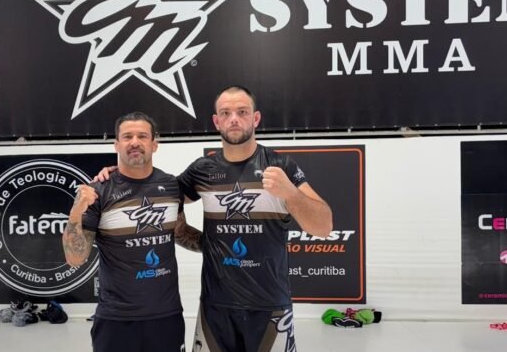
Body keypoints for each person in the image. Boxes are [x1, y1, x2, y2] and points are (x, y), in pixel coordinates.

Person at [96, 86, 333, 352]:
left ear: (255, 118)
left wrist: (290, 193)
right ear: (216, 121)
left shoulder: (280, 166)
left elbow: (324, 227)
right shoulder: (203, 169)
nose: (234, 119)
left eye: (242, 112)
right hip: (215, 308)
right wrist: (120, 175)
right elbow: (157, 193)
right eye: (226, 113)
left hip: (270, 307)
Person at [62, 111, 201, 352]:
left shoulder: (170, 186)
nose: (134, 142)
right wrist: (76, 211)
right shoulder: (98, 191)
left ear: (154, 144)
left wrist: (220, 243)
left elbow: (179, 232)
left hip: (166, 315)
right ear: (116, 144)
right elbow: (75, 258)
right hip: (116, 318)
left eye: (142, 136)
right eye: (127, 136)